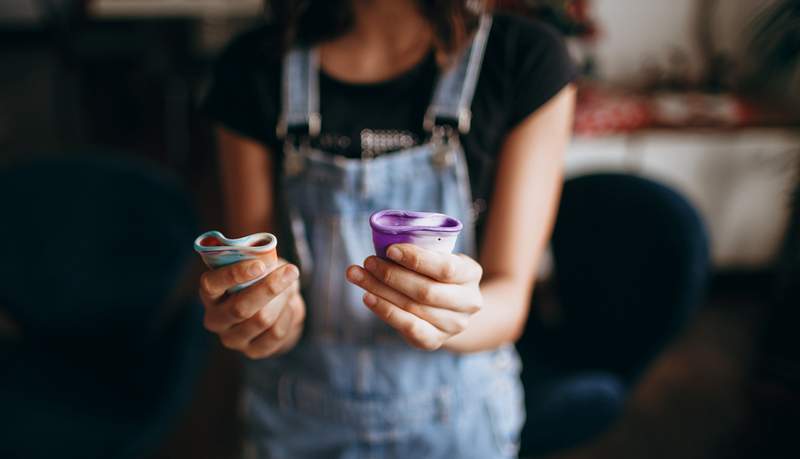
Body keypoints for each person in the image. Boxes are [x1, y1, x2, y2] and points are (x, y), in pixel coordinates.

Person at [201, 0, 575, 457]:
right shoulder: (251, 66)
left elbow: (509, 297)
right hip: (296, 420)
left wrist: (453, 314)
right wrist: (265, 320)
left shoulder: (526, 59)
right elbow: (262, 269)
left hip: (457, 424)